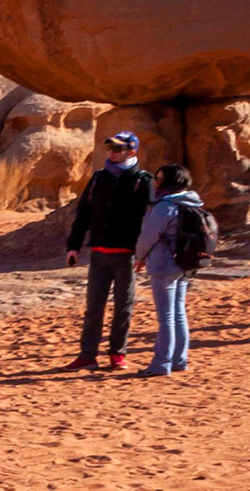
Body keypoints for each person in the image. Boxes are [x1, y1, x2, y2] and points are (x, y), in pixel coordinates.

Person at [65, 132, 154, 370]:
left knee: (124, 306)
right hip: (99, 253)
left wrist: (144, 254)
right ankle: (87, 355)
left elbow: (151, 220)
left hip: (127, 255)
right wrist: (73, 246)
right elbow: (83, 213)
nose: (112, 153)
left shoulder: (143, 180)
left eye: (118, 149)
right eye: (110, 149)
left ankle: (117, 354)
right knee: (94, 306)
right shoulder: (98, 178)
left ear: (131, 151)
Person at [133, 163, 205, 377]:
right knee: (178, 314)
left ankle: (161, 364)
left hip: (164, 265)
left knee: (166, 317)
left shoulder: (165, 206)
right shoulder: (193, 201)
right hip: (185, 264)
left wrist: (140, 258)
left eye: (159, 179)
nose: (155, 182)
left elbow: (147, 236)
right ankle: (178, 360)